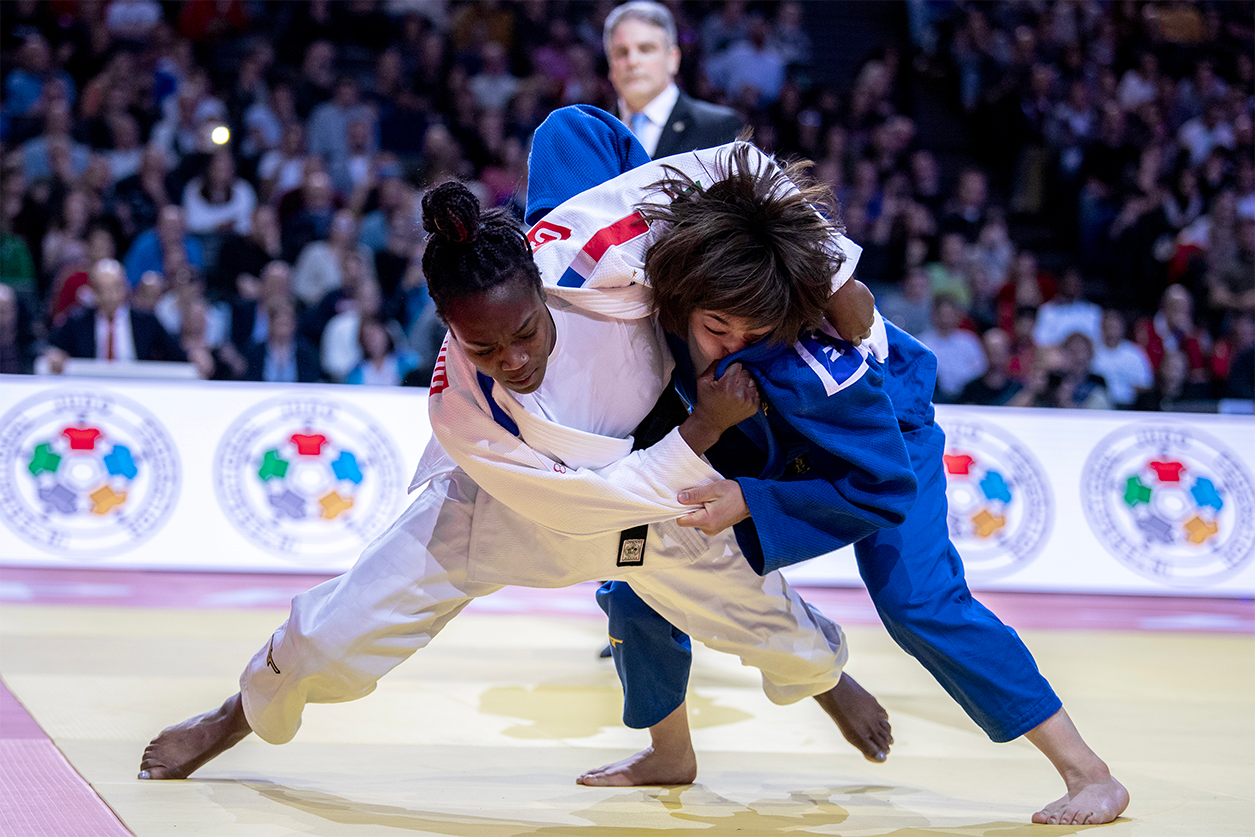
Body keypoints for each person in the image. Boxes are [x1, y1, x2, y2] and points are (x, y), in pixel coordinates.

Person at [137, 175, 901, 784]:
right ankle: (233, 716)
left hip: (650, 506)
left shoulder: (582, 253)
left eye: (525, 330)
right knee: (327, 635)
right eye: (483, 344)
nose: (512, 358)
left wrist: (833, 270)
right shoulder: (461, 409)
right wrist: (701, 428)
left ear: (540, 285)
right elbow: (583, 511)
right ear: (443, 321)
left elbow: (726, 167)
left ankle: (826, 677)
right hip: (503, 515)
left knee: (772, 624)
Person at [524, 104, 1127, 826]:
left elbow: (878, 485)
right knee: (634, 566)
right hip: (744, 420)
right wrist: (583, 220)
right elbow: (575, 132)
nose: (727, 339)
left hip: (875, 430)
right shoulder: (634, 270)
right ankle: (668, 749)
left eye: (746, 327)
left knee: (916, 602)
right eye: (714, 326)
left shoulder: (819, 352)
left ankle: (1087, 771)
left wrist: (749, 499)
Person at [604, 1, 741, 160]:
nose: (632, 61)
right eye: (621, 52)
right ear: (610, 66)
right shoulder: (594, 139)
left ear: (673, 59)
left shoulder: (719, 129)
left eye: (646, 49)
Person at [44, 258, 185, 371]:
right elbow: (50, 346)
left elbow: (177, 355)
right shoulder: (77, 321)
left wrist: (196, 355)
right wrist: (54, 354)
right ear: (94, 292)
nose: (109, 295)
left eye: (115, 287)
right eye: (102, 289)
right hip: (91, 388)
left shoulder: (146, 321)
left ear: (125, 288)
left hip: (137, 390)